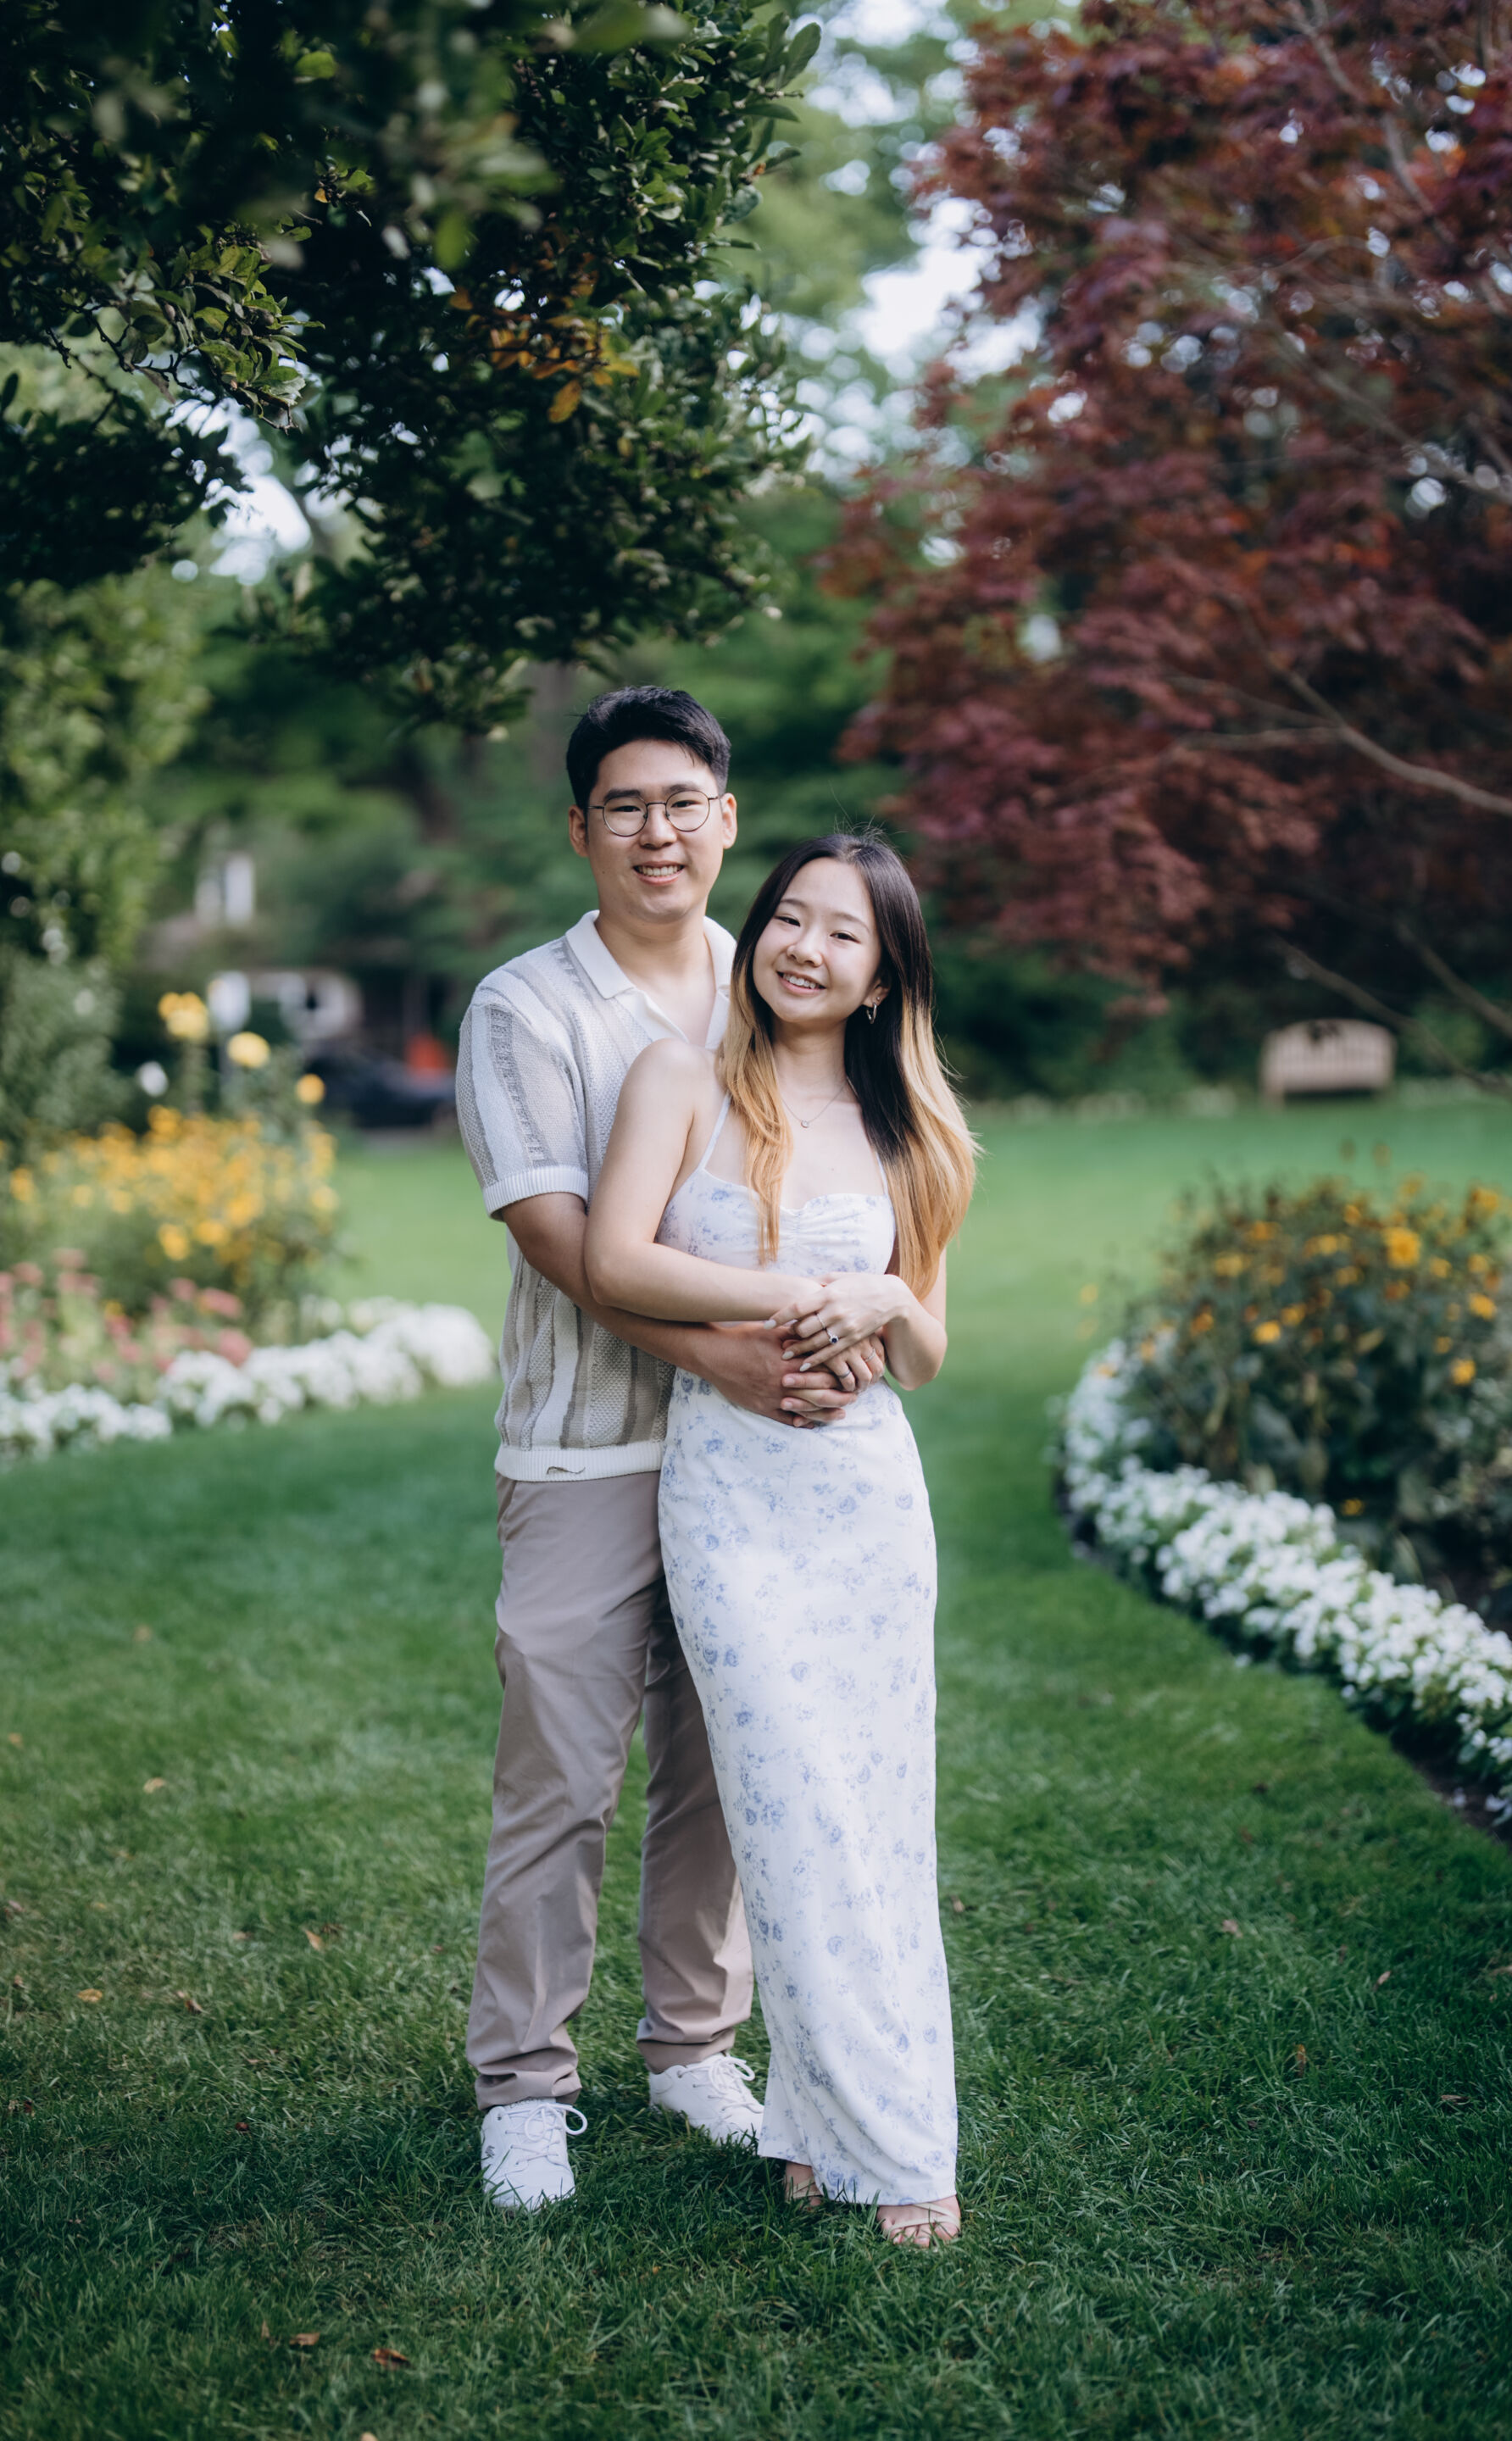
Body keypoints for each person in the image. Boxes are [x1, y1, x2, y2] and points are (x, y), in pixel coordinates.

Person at [455, 690, 887, 2212]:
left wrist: (851, 1327)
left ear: (726, 820)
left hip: (756, 1460)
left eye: (685, 803)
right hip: (586, 1447)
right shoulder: (526, 1008)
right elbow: (564, 1241)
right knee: (560, 1775)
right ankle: (525, 2085)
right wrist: (729, 1354)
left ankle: (694, 2047)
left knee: (724, 1764)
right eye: (626, 805)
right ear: (583, 828)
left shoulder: (767, 982)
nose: (659, 832)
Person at [583, 831, 976, 2246]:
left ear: (884, 979)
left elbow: (924, 1349)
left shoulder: (912, 1131)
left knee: (874, 1816)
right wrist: (804, 1296)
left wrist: (888, 1305)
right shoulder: (681, 1079)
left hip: (865, 1506)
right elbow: (615, 1258)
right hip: (731, 1500)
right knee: (787, 1813)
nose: (804, 948)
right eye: (789, 918)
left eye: (842, 934)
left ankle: (836, 2129)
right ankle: (886, 2145)